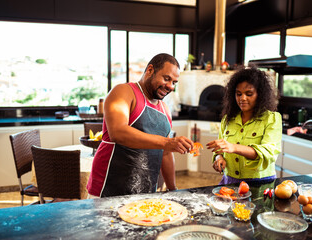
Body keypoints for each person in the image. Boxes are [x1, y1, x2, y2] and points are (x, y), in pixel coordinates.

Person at [87, 53, 194, 198]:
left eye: (174, 82)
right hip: (108, 190)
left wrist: (172, 189)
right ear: (150, 70)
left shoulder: (165, 110)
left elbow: (166, 154)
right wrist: (166, 142)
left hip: (145, 193)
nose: (170, 86)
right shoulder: (123, 92)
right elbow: (118, 132)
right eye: (166, 78)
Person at [206, 67, 282, 184]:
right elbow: (220, 149)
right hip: (230, 181)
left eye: (249, 94)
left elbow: (268, 152)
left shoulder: (271, 118)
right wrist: (219, 158)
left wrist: (234, 147)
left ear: (260, 95)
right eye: (238, 94)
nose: (242, 98)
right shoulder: (228, 119)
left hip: (259, 183)